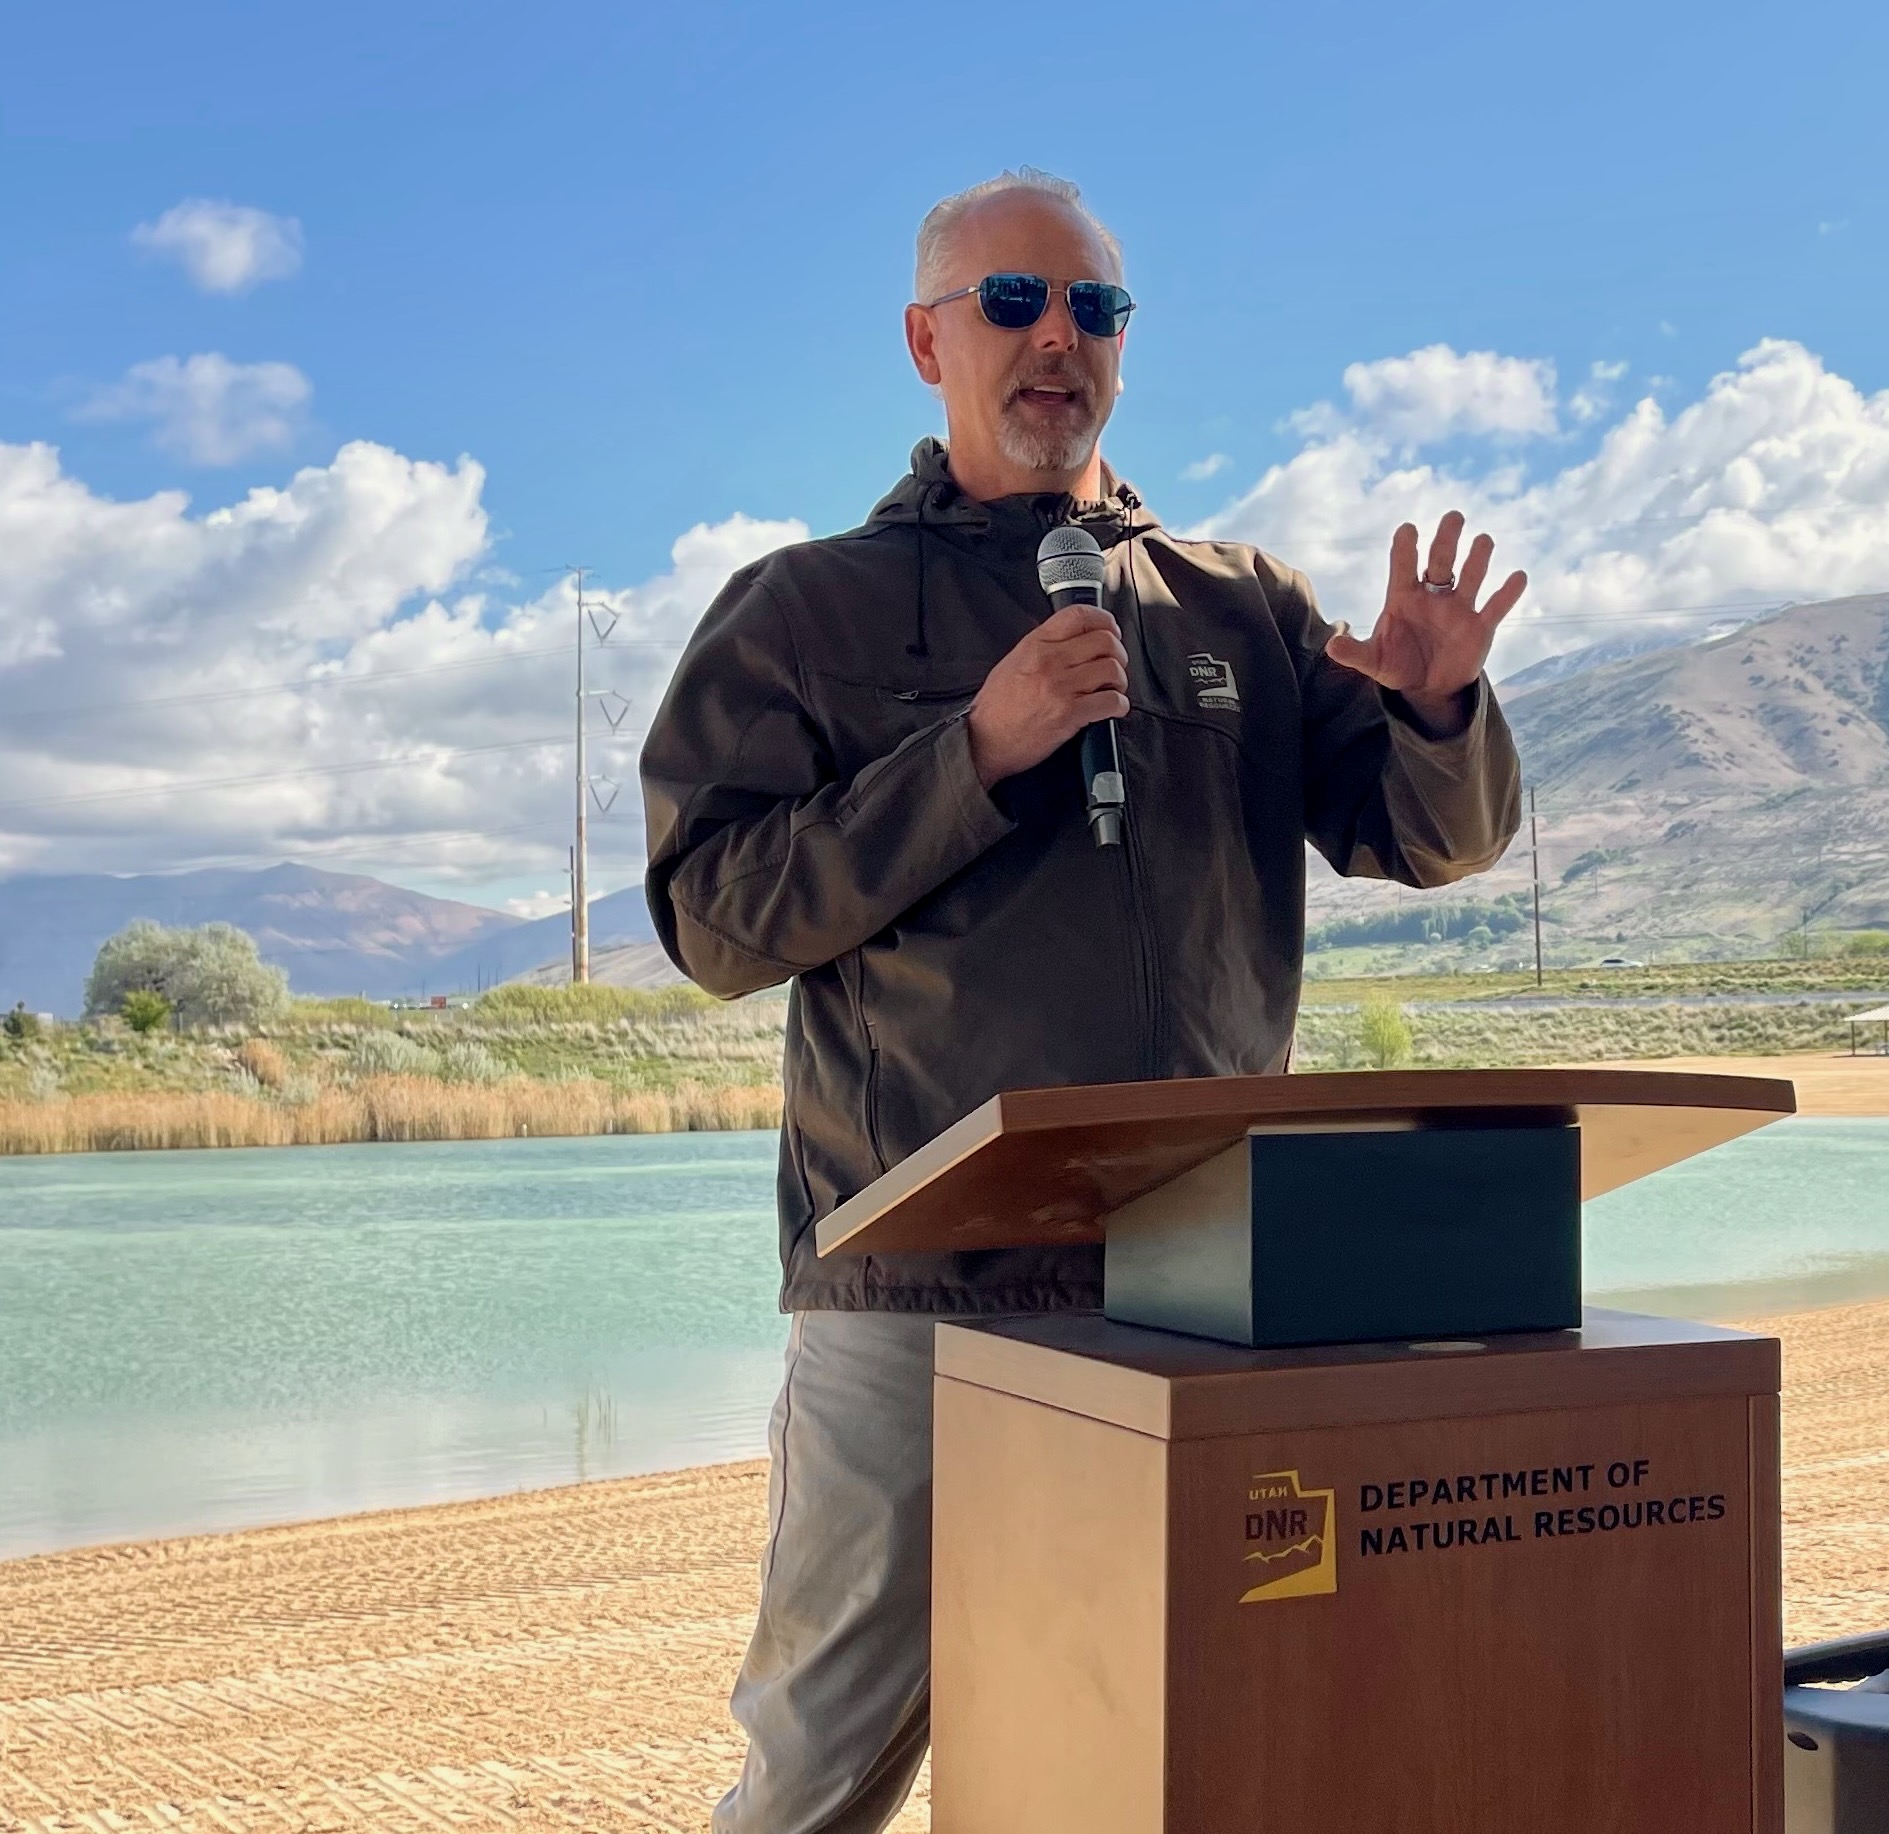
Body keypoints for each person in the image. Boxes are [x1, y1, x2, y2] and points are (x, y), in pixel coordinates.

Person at [639, 167, 1525, 1834]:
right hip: (915, 1296)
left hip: (1202, 1290)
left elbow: (1433, 836)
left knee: (1171, 1740)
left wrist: (1441, 706)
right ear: (926, 342)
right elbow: (711, 916)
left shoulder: (1239, 606)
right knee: (820, 1769)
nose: (1058, 338)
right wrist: (968, 750)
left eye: (1094, 308)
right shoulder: (804, 615)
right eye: (1014, 303)